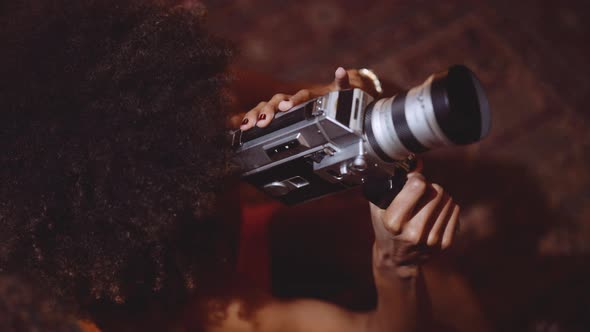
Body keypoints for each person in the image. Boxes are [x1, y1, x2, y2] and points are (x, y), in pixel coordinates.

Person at [0, 1, 477, 331]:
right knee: (430, 272)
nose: (230, 129)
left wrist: (345, 93)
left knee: (353, 220)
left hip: (225, 236)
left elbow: (384, 94)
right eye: (207, 159)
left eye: (213, 125)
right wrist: (397, 264)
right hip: (203, 281)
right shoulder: (194, 302)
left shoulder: (188, 95)